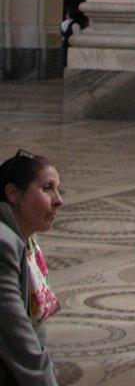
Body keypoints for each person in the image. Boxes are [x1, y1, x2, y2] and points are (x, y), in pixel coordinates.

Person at [0, 149, 63, 386]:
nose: (59, 200)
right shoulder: (3, 244)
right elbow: (16, 337)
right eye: (47, 188)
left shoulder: (26, 244)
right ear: (13, 194)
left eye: (58, 189)